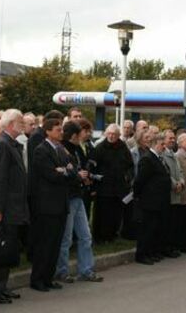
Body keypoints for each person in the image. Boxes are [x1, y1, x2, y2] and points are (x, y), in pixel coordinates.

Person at [0, 109, 28, 304]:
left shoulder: (11, 144)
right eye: (20, 122)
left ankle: (2, 286)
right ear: (10, 124)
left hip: (13, 206)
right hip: (4, 207)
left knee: (7, 247)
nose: (23, 125)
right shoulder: (2, 145)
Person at [55, 121, 103, 284]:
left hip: (78, 196)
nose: (85, 135)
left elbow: (81, 168)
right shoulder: (61, 149)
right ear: (75, 135)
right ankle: (61, 271)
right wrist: (78, 175)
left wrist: (86, 177)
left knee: (85, 236)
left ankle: (86, 270)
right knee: (66, 238)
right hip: (67, 197)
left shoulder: (77, 149)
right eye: (82, 133)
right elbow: (63, 172)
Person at [30, 119, 72, 292]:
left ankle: (48, 277)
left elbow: (71, 169)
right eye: (57, 129)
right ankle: (37, 278)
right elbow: (50, 174)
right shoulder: (41, 150)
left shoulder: (60, 149)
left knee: (55, 243)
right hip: (46, 205)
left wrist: (63, 170)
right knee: (45, 243)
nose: (61, 132)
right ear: (47, 131)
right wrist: (62, 171)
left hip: (61, 204)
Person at [133, 132, 171, 265]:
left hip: (159, 201)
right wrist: (138, 196)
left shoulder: (159, 158)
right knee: (146, 229)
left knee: (154, 228)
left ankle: (151, 252)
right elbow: (139, 181)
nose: (164, 147)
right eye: (162, 144)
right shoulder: (147, 159)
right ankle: (142, 254)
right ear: (154, 144)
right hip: (149, 201)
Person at [93, 124, 134, 243]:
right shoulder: (100, 148)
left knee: (115, 214)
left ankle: (112, 235)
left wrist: (128, 177)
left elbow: (130, 165)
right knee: (102, 214)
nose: (111, 136)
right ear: (106, 134)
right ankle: (100, 237)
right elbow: (94, 167)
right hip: (104, 187)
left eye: (114, 134)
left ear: (118, 136)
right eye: (109, 134)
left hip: (119, 187)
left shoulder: (123, 147)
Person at [163, 130, 184, 257]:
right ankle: (167, 248)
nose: (172, 140)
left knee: (174, 223)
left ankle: (172, 246)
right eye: (170, 138)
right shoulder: (163, 155)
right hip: (169, 193)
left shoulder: (174, 155)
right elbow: (166, 173)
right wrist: (174, 184)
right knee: (168, 224)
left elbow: (180, 171)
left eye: (173, 138)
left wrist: (181, 182)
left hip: (177, 193)